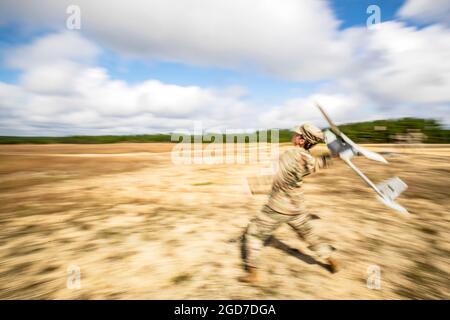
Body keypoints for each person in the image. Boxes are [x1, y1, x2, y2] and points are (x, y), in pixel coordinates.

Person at [239, 123, 339, 284]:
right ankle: (330, 259)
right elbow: (320, 162)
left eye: (295, 134)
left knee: (253, 234)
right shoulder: (308, 158)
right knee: (310, 237)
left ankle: (252, 274)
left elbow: (275, 174)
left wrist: (252, 185)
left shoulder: (290, 154)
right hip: (298, 208)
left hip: (277, 208)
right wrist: (336, 154)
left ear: (300, 140)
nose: (293, 136)